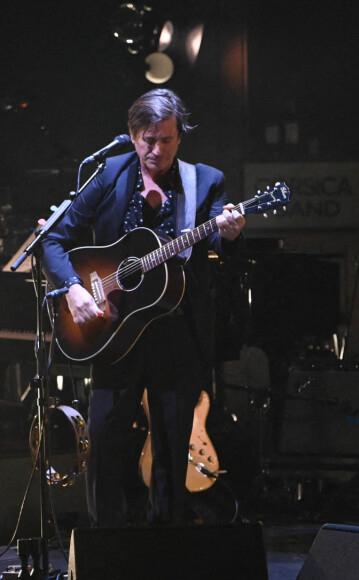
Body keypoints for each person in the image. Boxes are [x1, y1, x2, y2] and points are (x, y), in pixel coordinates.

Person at [41, 88, 246, 527]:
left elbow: (211, 241)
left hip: (178, 334)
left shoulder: (204, 180)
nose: (157, 150)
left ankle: (167, 550)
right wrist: (74, 290)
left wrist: (227, 233)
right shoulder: (109, 174)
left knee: (173, 450)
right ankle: (106, 547)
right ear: (133, 135)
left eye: (166, 140)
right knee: (104, 442)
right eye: (147, 140)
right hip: (114, 331)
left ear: (179, 138)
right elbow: (55, 241)